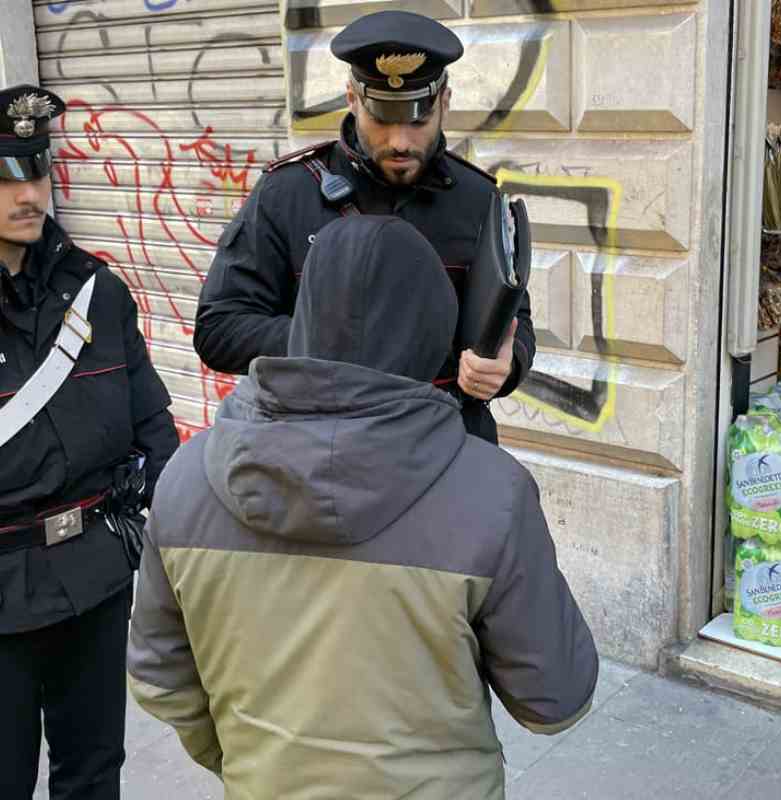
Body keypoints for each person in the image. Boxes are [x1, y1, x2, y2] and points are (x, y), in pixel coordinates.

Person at [128, 215, 597, 799]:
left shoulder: (185, 481)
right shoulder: (493, 492)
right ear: (434, 329)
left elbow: (159, 677)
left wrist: (245, 763)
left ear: (303, 319)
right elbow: (555, 698)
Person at [193, 9, 535, 444]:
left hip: (447, 448)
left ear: (444, 103)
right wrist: (332, 340)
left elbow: (514, 317)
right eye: (382, 119)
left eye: (416, 120)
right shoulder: (287, 193)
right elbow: (219, 329)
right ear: (352, 99)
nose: (399, 141)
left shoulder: (479, 199)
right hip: (316, 452)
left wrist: (509, 361)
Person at [0, 84, 179, 799]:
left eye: (37, 173)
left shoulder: (97, 295)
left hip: (95, 581)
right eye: (7, 179)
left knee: (94, 775)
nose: (28, 195)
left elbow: (156, 430)